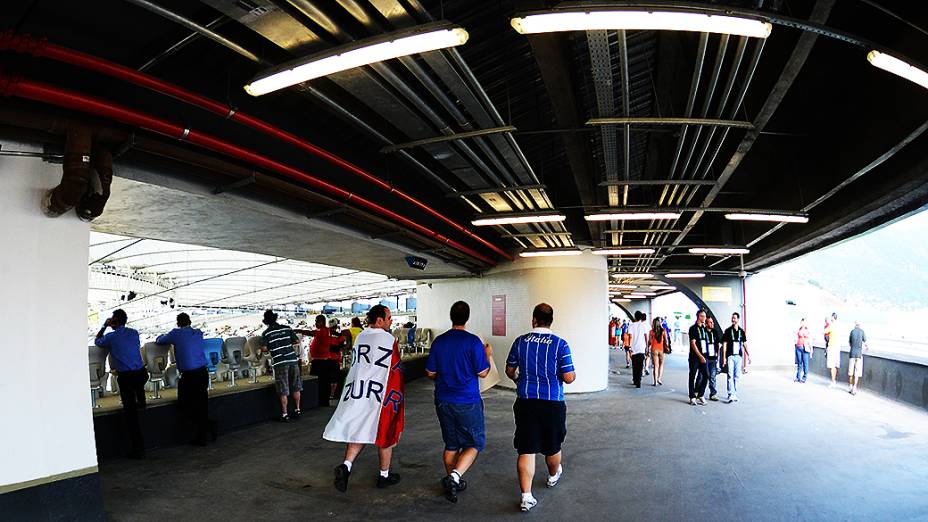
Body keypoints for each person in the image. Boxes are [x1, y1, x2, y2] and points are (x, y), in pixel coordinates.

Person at [325, 305, 404, 492]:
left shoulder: (361, 336)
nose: (391, 321)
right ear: (379, 320)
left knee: (359, 430)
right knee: (385, 432)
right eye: (389, 318)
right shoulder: (388, 339)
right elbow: (394, 371)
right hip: (379, 394)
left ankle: (346, 466)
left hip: (359, 392)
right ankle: (384, 476)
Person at [505, 303, 576, 513]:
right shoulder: (560, 344)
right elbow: (569, 377)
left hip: (526, 401)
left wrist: (519, 379)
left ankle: (526, 496)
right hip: (552, 402)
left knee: (526, 448)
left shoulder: (520, 342)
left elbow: (510, 370)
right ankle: (553, 475)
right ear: (551, 320)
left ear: (533, 320)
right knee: (552, 445)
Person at [425, 301, 491, 503]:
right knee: (475, 442)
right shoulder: (473, 342)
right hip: (467, 400)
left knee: (451, 444)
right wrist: (487, 355)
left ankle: (452, 483)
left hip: (443, 399)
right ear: (467, 317)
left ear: (451, 316)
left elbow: (430, 372)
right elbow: (482, 372)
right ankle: (454, 477)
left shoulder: (439, 341)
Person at [156, 313, 215, 445]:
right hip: (202, 373)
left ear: (178, 323)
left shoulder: (175, 334)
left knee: (184, 403)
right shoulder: (198, 333)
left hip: (189, 375)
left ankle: (204, 432)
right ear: (189, 321)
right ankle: (206, 431)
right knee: (202, 404)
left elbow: (160, 340)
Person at [95, 309, 147, 458]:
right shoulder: (134, 332)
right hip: (141, 374)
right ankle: (141, 400)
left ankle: (138, 449)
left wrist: (105, 326)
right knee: (138, 387)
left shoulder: (111, 337)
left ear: (115, 321)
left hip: (127, 378)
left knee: (131, 415)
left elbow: (98, 341)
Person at [260, 310, 302, 422]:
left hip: (280, 362)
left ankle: (285, 414)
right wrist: (287, 344)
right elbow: (297, 341)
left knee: (283, 389)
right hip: (293, 360)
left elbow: (264, 348)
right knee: (296, 386)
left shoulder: (266, 333)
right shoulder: (286, 328)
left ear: (266, 321)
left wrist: (269, 347)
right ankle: (297, 410)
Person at [310, 315, 341, 406]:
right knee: (325, 382)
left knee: (323, 382)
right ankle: (324, 400)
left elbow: (311, 333)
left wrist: (297, 330)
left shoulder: (323, 331)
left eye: (317, 321)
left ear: (323, 322)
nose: (316, 323)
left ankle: (323, 401)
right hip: (324, 360)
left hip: (323, 361)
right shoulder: (327, 332)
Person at [722, 312, 747, 403]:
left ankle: (734, 393)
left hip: (738, 357)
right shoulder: (728, 331)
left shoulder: (741, 331)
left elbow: (744, 344)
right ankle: (730, 394)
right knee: (730, 375)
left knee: (736, 376)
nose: (733, 319)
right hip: (730, 356)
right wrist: (724, 358)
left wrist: (748, 355)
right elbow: (725, 345)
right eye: (732, 318)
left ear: (738, 319)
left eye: (735, 318)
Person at [688, 310, 710, 406]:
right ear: (698, 317)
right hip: (695, 357)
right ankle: (692, 397)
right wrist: (700, 356)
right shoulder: (693, 328)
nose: (704, 318)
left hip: (704, 355)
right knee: (692, 375)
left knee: (706, 375)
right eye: (702, 316)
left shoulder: (704, 329)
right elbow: (693, 344)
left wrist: (704, 355)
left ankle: (700, 395)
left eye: (705, 316)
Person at [628, 311, 649, 388]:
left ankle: (635, 379)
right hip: (641, 348)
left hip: (633, 348)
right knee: (640, 365)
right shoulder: (643, 326)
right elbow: (646, 336)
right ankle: (639, 381)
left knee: (634, 365)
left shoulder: (631, 326)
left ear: (635, 317)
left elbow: (630, 337)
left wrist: (629, 347)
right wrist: (646, 347)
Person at [848, 321, 868, 396]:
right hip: (859, 355)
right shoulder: (862, 332)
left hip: (852, 353)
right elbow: (866, 343)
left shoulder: (852, 332)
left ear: (855, 325)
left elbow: (849, 343)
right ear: (860, 325)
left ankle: (850, 386)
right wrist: (866, 348)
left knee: (851, 372)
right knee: (857, 372)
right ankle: (854, 388)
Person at [705, 316, 722, 401]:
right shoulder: (703, 332)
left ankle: (713, 393)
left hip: (713, 358)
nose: (712, 324)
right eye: (710, 322)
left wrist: (717, 356)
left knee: (712, 376)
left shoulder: (715, 332)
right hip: (705, 357)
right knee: (703, 376)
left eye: (712, 322)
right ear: (706, 323)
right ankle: (697, 391)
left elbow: (718, 345)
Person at [649, 317, 666, 386]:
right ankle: (659, 379)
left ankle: (655, 381)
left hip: (654, 349)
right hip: (661, 349)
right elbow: (666, 340)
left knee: (655, 366)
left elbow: (650, 341)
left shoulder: (651, 332)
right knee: (661, 364)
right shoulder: (663, 331)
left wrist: (647, 347)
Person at [826, 313, 841, 388]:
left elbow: (824, 331)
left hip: (832, 346)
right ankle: (834, 381)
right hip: (837, 347)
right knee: (835, 365)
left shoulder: (831, 325)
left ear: (832, 317)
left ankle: (833, 381)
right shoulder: (839, 325)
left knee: (831, 365)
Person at [795, 318, 811, 383]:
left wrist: (803, 334)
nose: (802, 324)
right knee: (799, 363)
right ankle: (798, 377)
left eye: (803, 322)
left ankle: (804, 377)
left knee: (805, 363)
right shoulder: (799, 329)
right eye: (801, 322)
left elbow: (809, 337)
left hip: (805, 348)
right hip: (798, 347)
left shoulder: (807, 330)